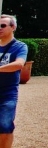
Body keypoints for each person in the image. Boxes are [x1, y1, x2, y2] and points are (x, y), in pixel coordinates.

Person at [0, 15, 27, 148]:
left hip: (7, 93)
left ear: (13, 27)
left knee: (5, 125)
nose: (0, 28)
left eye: (3, 26)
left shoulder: (20, 46)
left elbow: (19, 64)